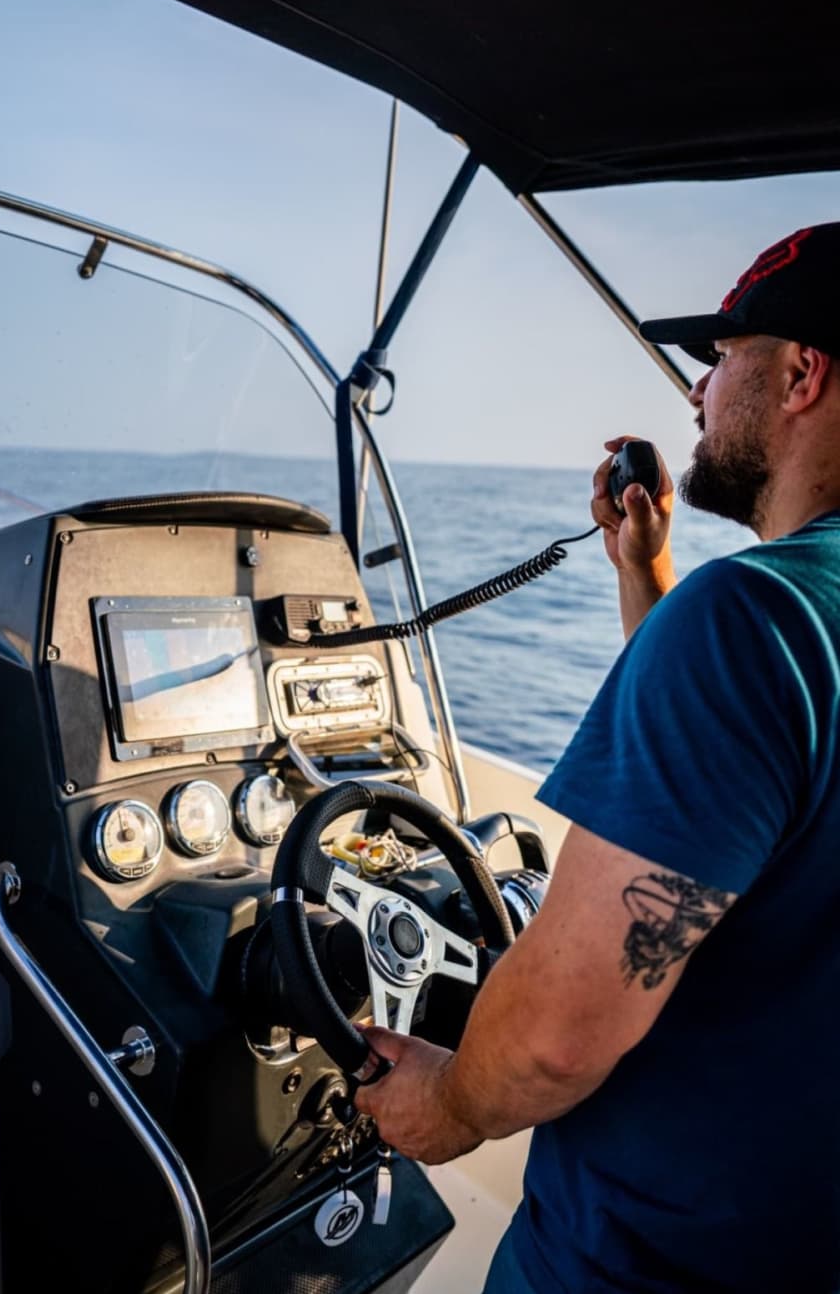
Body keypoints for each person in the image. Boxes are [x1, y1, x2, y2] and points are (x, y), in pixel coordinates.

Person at [355, 222, 840, 1293]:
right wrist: (646, 570)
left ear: (801, 372)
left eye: (721, 359)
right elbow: (735, 786)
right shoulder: (768, 632)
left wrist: (443, 1102)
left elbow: (557, 1037)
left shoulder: (752, 615)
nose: (697, 394)